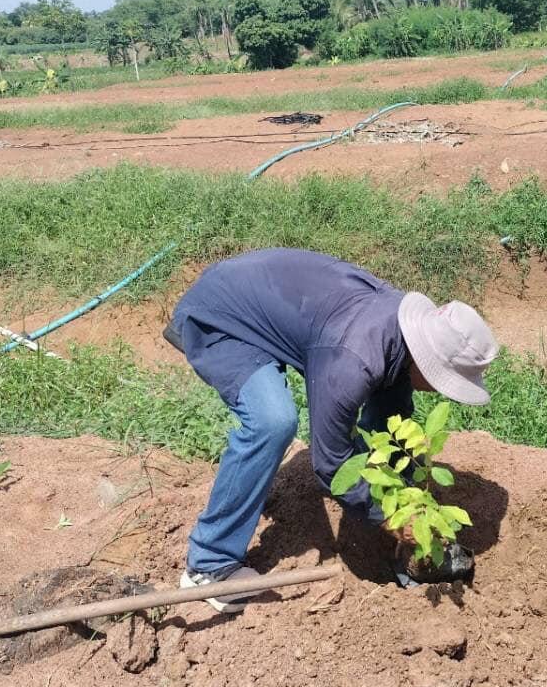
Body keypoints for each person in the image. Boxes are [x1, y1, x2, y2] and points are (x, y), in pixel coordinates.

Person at [164, 248, 499, 612]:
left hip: (268, 295)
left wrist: (411, 499)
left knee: (392, 427)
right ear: (426, 360)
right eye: (442, 381)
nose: (437, 389)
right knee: (272, 421)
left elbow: (390, 429)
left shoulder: (399, 335)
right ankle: (209, 565)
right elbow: (332, 463)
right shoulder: (352, 358)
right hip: (222, 316)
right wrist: (391, 518)